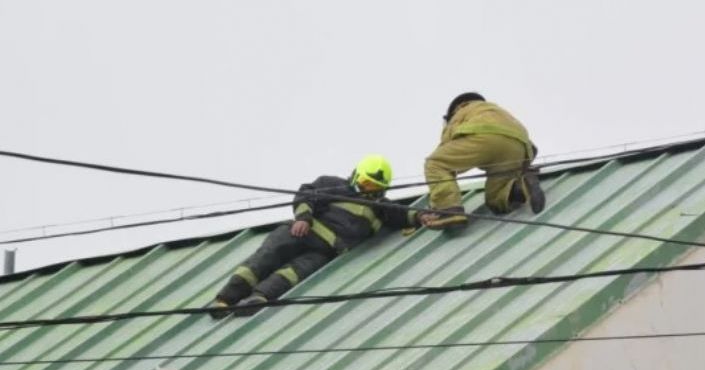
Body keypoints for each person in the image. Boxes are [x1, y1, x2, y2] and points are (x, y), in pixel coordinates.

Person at [210, 154, 419, 318]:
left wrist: (423, 216)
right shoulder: (334, 184)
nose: (368, 191)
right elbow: (306, 194)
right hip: (301, 232)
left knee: (293, 273)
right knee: (264, 258)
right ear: (356, 175)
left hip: (326, 251)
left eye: (375, 188)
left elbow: (403, 214)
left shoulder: (380, 207)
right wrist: (303, 217)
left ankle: (259, 298)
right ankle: (225, 299)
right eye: (366, 183)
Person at [420, 92, 545, 230]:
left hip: (484, 137)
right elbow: (532, 150)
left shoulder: (461, 111)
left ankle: (449, 212)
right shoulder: (497, 110)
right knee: (496, 199)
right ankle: (520, 186)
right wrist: (523, 165)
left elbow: (445, 149)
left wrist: (436, 204)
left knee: (435, 164)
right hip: (518, 146)